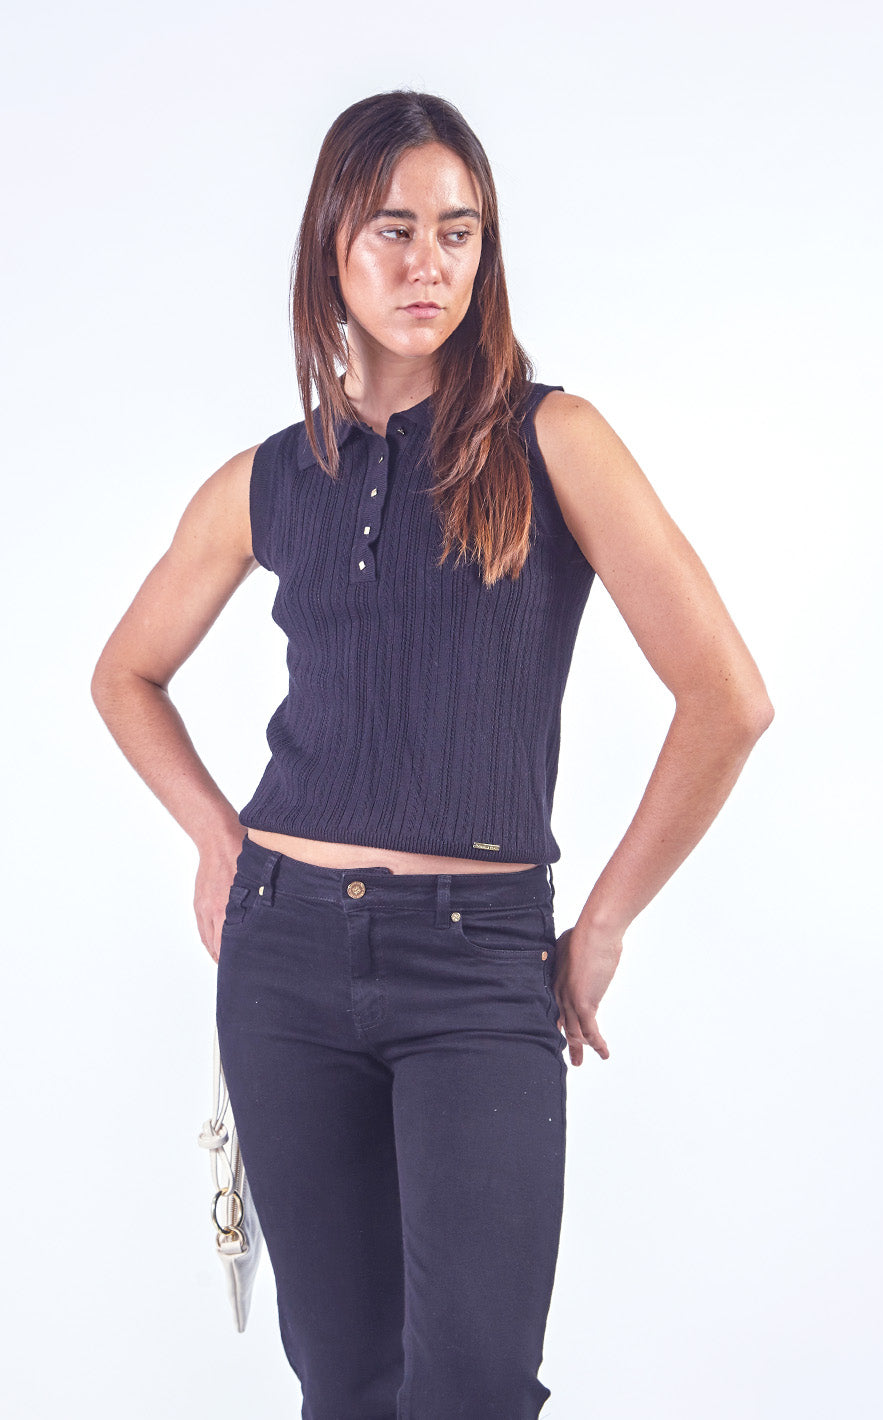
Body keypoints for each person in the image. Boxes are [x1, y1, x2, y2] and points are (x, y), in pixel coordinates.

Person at [91, 89, 773, 1419]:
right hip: (283, 959)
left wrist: (604, 921)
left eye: (458, 233)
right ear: (329, 248)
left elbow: (726, 697)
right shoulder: (268, 479)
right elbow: (125, 673)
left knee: (472, 1386)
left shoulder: (555, 441)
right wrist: (218, 839)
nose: (429, 265)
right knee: (345, 1380)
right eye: (393, 230)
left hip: (477, 964)